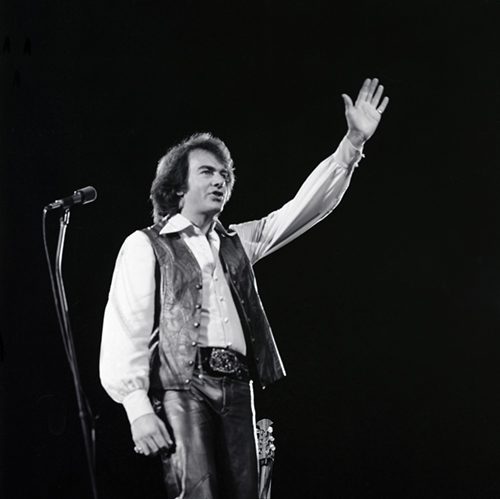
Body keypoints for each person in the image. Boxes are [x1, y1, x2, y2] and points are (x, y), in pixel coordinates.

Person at [100, 78, 389, 499]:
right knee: (196, 493)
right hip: (184, 387)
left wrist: (352, 144)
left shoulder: (238, 242)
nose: (220, 180)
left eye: (225, 174)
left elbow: (302, 210)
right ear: (178, 187)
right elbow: (127, 325)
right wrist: (137, 408)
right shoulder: (147, 245)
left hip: (239, 388)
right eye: (207, 172)